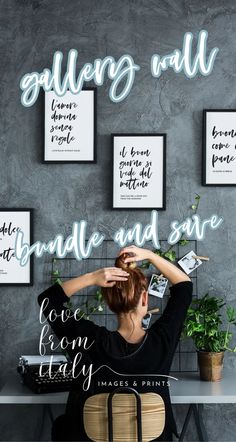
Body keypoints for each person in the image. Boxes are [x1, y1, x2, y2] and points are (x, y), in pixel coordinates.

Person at [38, 245, 193, 441]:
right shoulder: (163, 340)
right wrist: (150, 256)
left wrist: (93, 277)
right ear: (145, 298)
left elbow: (47, 300)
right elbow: (184, 286)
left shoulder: (90, 340)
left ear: (108, 301)